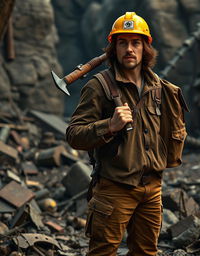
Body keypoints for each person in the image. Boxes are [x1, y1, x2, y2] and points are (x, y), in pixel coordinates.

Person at [66, 12, 188, 256]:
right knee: (103, 252)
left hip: (152, 189)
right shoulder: (98, 86)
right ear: (114, 48)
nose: (129, 49)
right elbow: (74, 134)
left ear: (146, 47)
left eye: (135, 42)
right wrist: (108, 126)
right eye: (122, 43)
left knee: (146, 252)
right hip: (114, 189)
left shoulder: (159, 88)